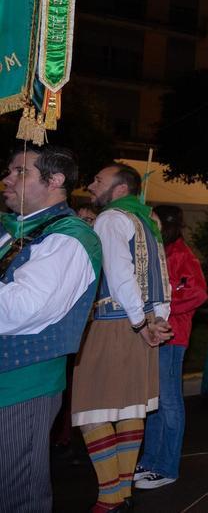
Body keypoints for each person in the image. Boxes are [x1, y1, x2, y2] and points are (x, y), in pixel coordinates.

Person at [0, 146, 102, 513]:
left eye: (19, 171)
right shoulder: (15, 230)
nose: (7, 179)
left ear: (55, 180)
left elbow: (24, 308)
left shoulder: (69, 237)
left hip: (20, 382)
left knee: (15, 495)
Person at [74, 163, 172, 511]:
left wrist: (138, 324)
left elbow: (118, 274)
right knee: (131, 408)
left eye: (97, 180)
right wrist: (157, 321)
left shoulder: (111, 218)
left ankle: (110, 496)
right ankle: (122, 495)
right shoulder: (147, 220)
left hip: (115, 322)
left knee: (90, 409)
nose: (90, 185)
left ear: (118, 190)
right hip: (141, 324)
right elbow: (163, 277)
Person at [133, 206, 208, 489]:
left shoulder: (181, 255)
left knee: (169, 401)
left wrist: (161, 312)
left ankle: (166, 466)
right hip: (157, 334)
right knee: (155, 402)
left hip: (172, 337)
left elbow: (198, 293)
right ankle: (151, 460)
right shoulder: (160, 252)